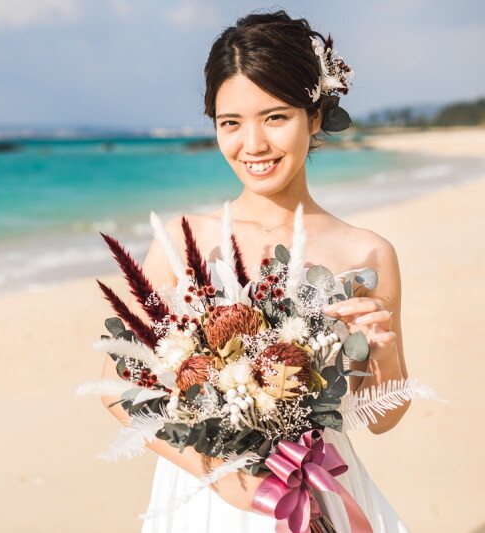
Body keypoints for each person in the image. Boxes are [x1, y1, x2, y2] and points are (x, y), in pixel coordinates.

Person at [99, 9, 411, 533]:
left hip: (324, 486)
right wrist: (216, 473)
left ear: (315, 117)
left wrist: (386, 350)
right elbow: (115, 386)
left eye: (275, 116)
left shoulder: (368, 253)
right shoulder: (182, 242)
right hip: (207, 497)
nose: (254, 145)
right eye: (230, 123)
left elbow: (381, 418)